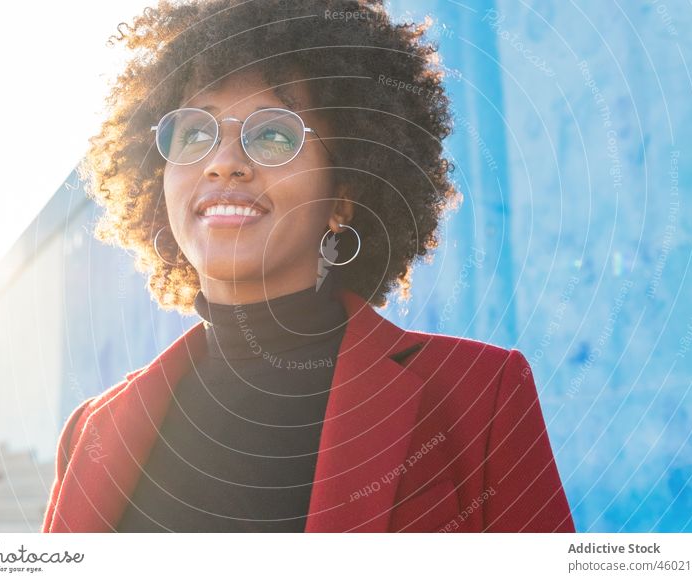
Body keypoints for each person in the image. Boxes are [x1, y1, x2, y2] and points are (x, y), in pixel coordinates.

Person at [41, 0, 574, 533]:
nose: (223, 160)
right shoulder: (94, 430)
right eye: (195, 133)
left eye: (273, 134)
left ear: (342, 196)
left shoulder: (479, 395)